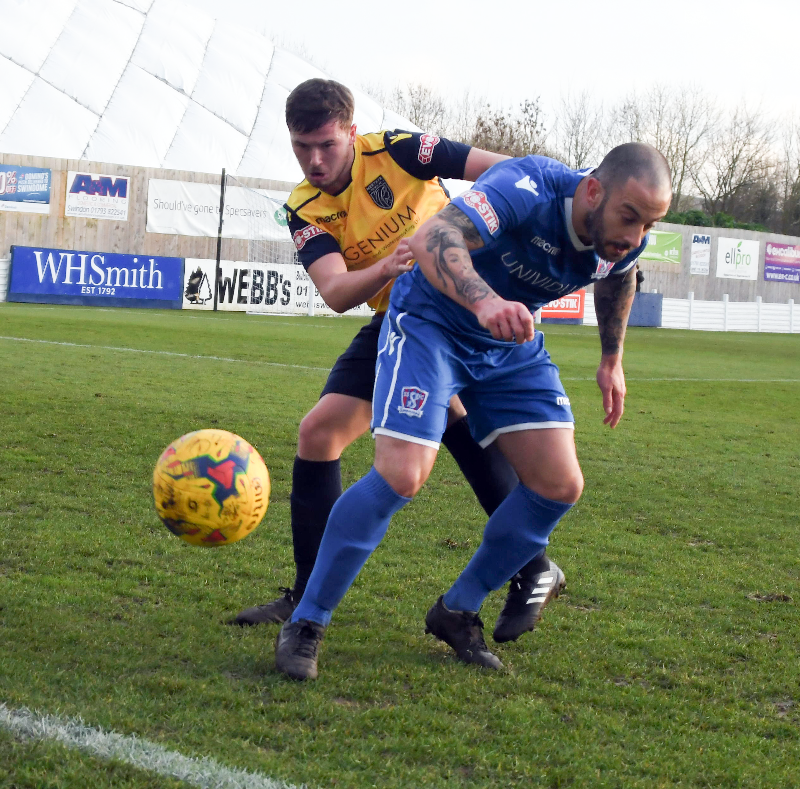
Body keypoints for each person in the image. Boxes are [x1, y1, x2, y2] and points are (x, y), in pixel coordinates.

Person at [274, 142, 673, 680]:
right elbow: (433, 236)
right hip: (432, 323)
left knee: (559, 484)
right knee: (401, 475)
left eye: (650, 225)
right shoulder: (528, 187)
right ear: (594, 190)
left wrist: (611, 358)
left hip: (508, 341)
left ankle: (457, 611)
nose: (635, 236)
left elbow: (620, 272)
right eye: (630, 217)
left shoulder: (621, 235)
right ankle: (307, 620)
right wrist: (485, 301)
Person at [230, 78, 565, 641]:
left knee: (460, 427)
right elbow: (336, 292)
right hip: (399, 320)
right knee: (320, 433)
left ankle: (530, 567)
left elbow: (509, 169)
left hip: (464, 310)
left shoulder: (400, 150)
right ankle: (307, 591)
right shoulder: (303, 208)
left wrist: (469, 238)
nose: (314, 160)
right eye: (301, 147)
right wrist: (388, 266)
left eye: (326, 145)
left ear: (351, 133)